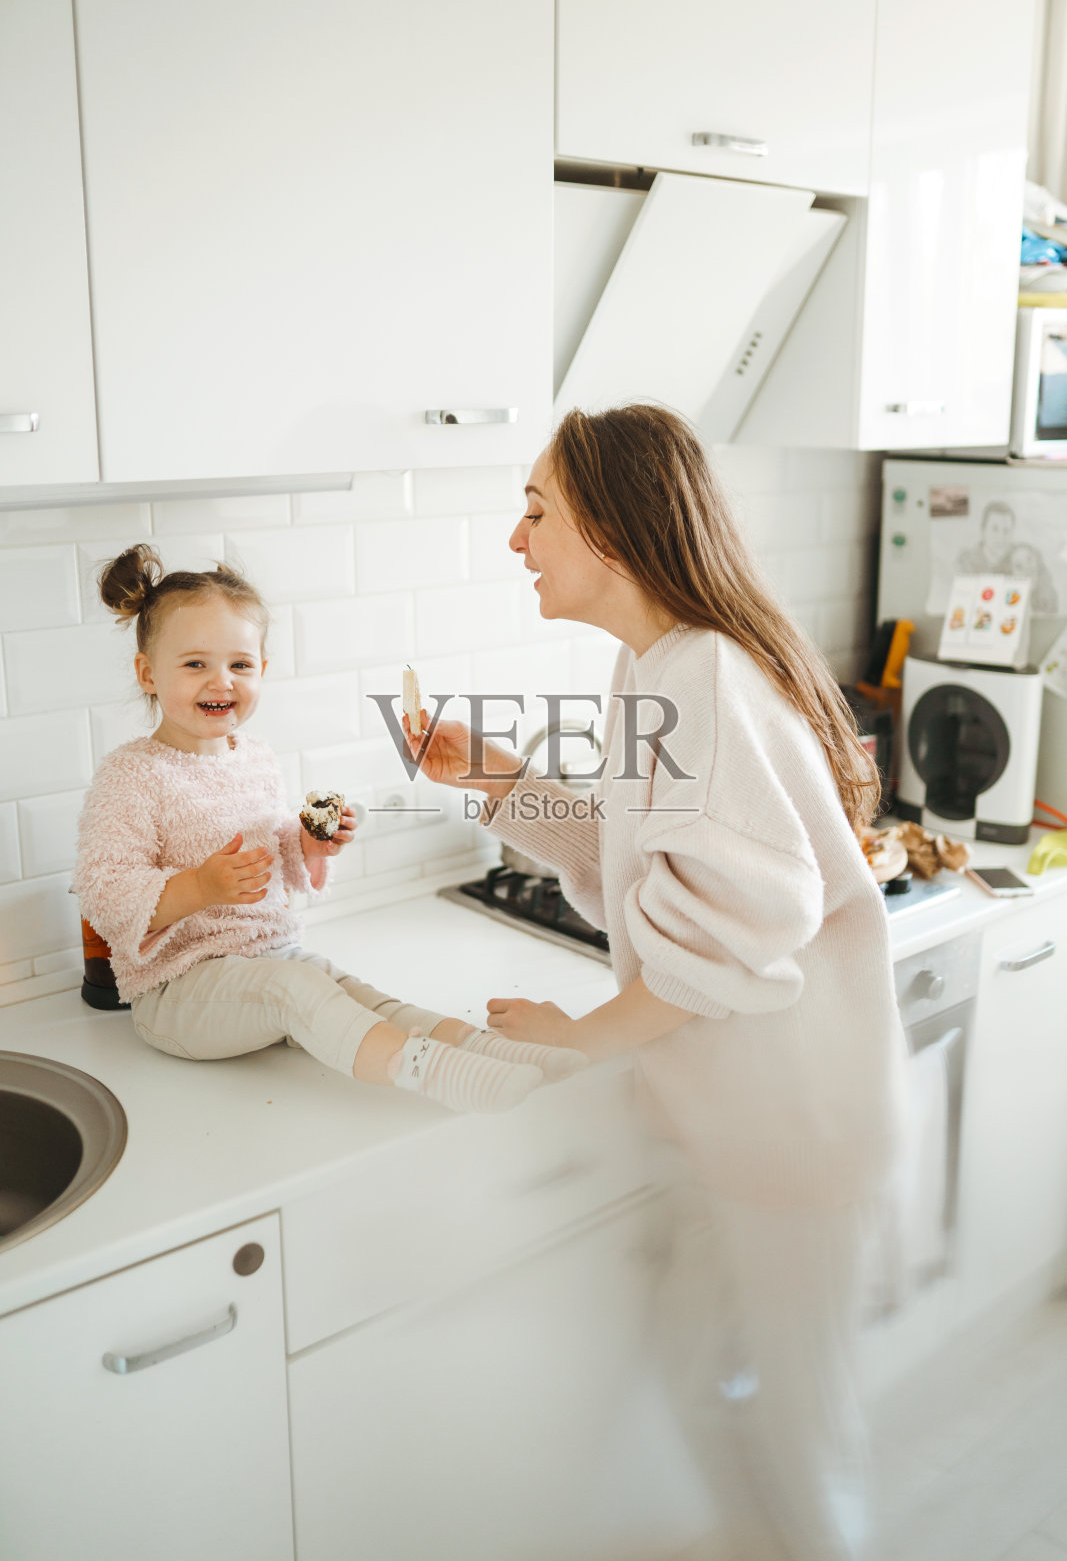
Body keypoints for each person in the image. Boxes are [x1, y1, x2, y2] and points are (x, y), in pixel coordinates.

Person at [405, 405, 909, 1561]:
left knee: (793, 1441)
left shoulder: (702, 682)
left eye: (535, 511)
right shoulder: (660, 667)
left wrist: (570, 1039)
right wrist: (491, 779)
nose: (516, 538)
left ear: (612, 531)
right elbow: (645, 869)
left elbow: (719, 946)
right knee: (702, 1383)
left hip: (798, 1134)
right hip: (748, 1128)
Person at [72, 546, 584, 1114]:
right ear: (148, 672)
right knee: (297, 990)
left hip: (271, 958)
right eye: (195, 664)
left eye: (240, 664)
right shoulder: (131, 775)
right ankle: (448, 1075)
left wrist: (306, 843)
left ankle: (509, 1057)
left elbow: (272, 852)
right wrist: (199, 889)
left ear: (262, 671)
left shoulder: (255, 757)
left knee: (358, 994)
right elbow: (105, 892)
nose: (222, 681)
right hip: (178, 993)